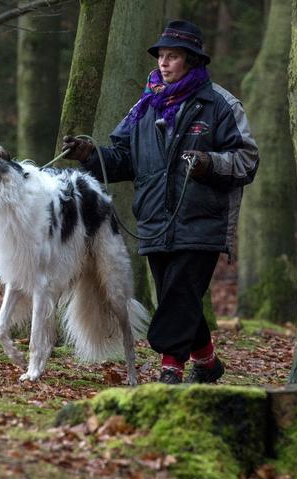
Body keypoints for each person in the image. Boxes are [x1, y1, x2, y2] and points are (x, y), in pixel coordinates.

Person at [62, 20, 259, 384]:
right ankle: (208, 363)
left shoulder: (219, 104)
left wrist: (209, 163)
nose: (164, 63)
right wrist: (89, 154)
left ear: (193, 61)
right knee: (178, 296)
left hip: (203, 220)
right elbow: (121, 158)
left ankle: (170, 368)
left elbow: (247, 160)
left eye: (174, 57)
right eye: (161, 56)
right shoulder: (144, 107)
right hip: (154, 220)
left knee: (178, 294)